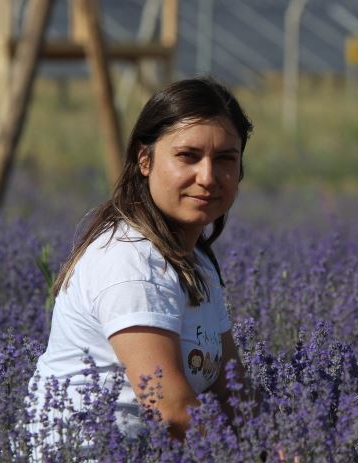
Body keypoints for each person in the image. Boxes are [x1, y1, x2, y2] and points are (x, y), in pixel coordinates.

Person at [28, 77, 254, 443]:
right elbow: (171, 408)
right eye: (188, 156)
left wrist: (278, 454)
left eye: (226, 159)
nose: (208, 177)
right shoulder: (132, 261)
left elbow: (233, 391)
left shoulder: (197, 261)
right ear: (144, 160)